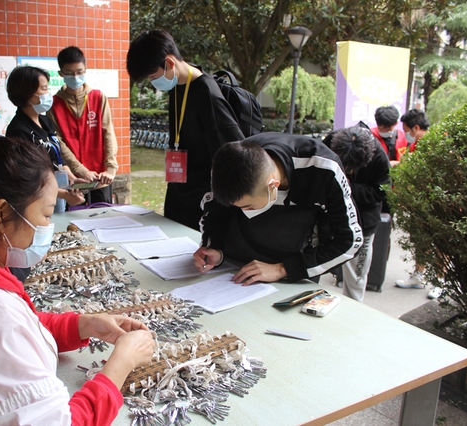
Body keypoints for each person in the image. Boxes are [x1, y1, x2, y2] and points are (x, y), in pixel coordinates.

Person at [0, 120, 154, 425]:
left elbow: (19, 331)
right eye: (46, 214)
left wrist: (81, 325)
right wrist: (120, 365)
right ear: (1, 213)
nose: (49, 227)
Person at [193, 132, 363, 284]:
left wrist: (283, 269)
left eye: (248, 206)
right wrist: (214, 248)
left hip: (294, 266)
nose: (245, 211)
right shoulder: (232, 163)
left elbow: (350, 241)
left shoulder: (324, 170)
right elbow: (215, 215)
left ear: (273, 186)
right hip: (234, 265)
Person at [126, 30, 244, 230]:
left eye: (153, 76)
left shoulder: (207, 93)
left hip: (202, 198)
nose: (153, 82)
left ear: (169, 62)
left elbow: (231, 152)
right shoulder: (177, 86)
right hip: (178, 189)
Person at [324, 126, 390, 302]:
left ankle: (353, 311)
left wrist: (348, 187)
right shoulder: (331, 141)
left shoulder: (379, 157)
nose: (349, 171)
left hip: (363, 221)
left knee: (356, 277)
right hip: (328, 213)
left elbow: (381, 192)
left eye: (351, 168)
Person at [6, 65, 85, 211]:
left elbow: (56, 156)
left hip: (58, 191)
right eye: (44, 89)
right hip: (39, 198)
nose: (48, 94)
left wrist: (72, 178)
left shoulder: (45, 121)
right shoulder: (18, 131)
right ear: (26, 92)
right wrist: (65, 195)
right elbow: (29, 178)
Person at [47, 46, 118, 204]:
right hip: (74, 181)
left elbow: (108, 133)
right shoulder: (54, 104)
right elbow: (59, 143)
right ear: (61, 74)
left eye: (79, 72)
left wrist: (110, 168)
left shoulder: (98, 97)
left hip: (100, 178)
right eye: (70, 73)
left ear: (85, 70)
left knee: (103, 215)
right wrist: (81, 170)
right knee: (75, 218)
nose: (75, 77)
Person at [395, 109, 437, 297]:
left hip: (434, 203)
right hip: (421, 203)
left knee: (439, 245)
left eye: (407, 131)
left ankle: (440, 281)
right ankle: (419, 275)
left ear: (416, 128)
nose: (407, 135)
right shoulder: (416, 145)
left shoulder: (435, 143)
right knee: (421, 241)